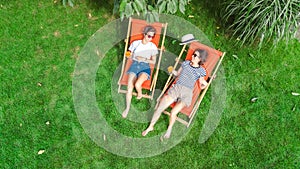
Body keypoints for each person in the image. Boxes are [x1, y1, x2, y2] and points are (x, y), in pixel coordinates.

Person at [142, 49, 208, 139]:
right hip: (177, 88)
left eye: (195, 55)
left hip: (187, 93)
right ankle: (150, 127)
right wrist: (172, 70)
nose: (192, 56)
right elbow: (177, 74)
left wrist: (205, 84)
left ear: (200, 59)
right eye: (193, 54)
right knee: (159, 108)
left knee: (173, 112)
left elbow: (201, 84)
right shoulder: (185, 63)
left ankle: (169, 129)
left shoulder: (201, 71)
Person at [122, 25, 158, 118]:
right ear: (144, 34)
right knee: (130, 86)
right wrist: (129, 55)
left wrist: (144, 59)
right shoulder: (135, 43)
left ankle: (140, 93)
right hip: (134, 65)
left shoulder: (152, 46)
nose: (150, 38)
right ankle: (127, 108)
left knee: (137, 85)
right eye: (149, 36)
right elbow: (128, 53)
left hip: (145, 67)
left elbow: (154, 61)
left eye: (152, 36)